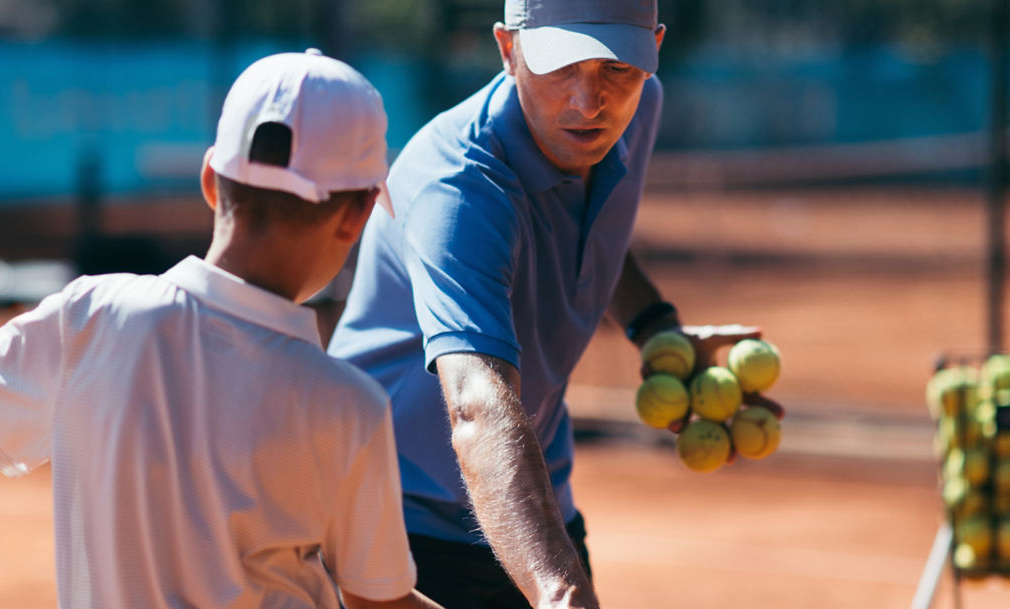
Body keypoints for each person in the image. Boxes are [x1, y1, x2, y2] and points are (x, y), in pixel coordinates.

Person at [0, 51, 444, 609]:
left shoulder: (92, 313)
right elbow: (378, 598)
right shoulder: (348, 404)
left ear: (210, 181)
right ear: (355, 217)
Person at [326, 2, 782, 608]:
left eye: (616, 66)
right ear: (508, 50)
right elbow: (478, 409)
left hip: (534, 501)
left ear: (653, 50)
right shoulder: (458, 189)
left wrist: (656, 329)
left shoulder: (637, 109)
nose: (588, 102)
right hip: (394, 524)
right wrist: (559, 590)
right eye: (561, 65)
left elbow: (597, 232)